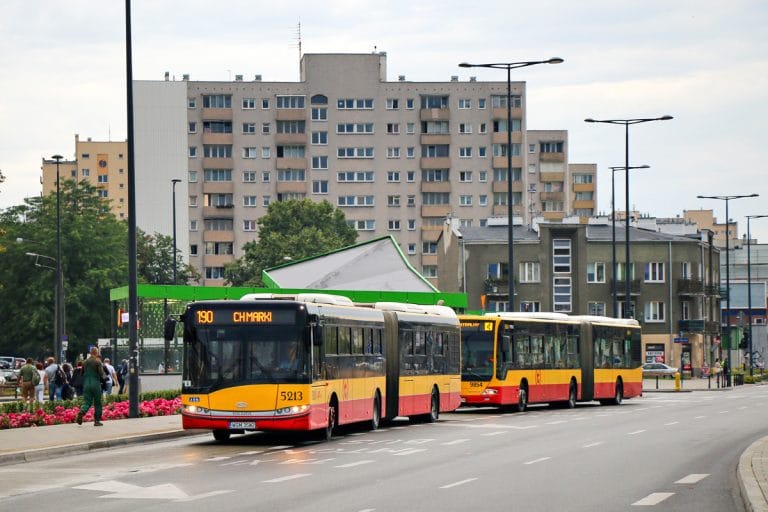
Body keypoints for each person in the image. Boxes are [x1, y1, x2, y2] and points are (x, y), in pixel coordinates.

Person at [77, 347, 105, 426]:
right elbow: (101, 373)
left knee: (87, 401)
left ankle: (82, 412)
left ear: (90, 352)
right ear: (96, 352)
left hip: (86, 384)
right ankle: (97, 421)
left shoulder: (85, 362)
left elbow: (81, 373)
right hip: (95, 383)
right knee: (97, 403)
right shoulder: (98, 361)